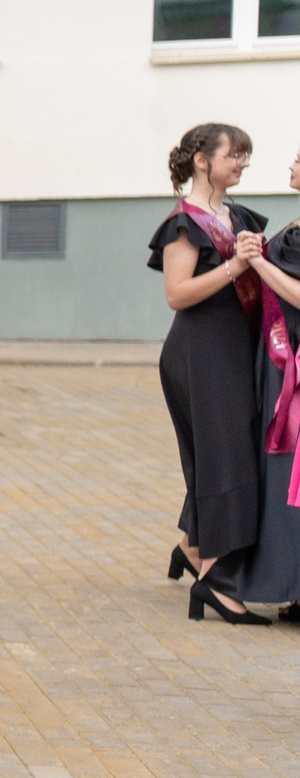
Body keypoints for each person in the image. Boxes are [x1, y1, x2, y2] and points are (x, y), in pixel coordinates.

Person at [151, 121, 269, 621]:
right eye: (233, 155)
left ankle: (192, 544)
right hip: (199, 352)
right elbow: (177, 295)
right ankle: (217, 581)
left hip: (232, 350)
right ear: (203, 161)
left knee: (227, 450)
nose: (241, 163)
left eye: (245, 156)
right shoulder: (186, 222)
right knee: (225, 458)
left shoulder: (236, 214)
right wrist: (233, 269)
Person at [210, 143, 300, 616]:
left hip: (294, 373)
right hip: (279, 364)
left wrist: (260, 262)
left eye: (299, 160)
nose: (291, 165)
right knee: (282, 480)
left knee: (290, 479)